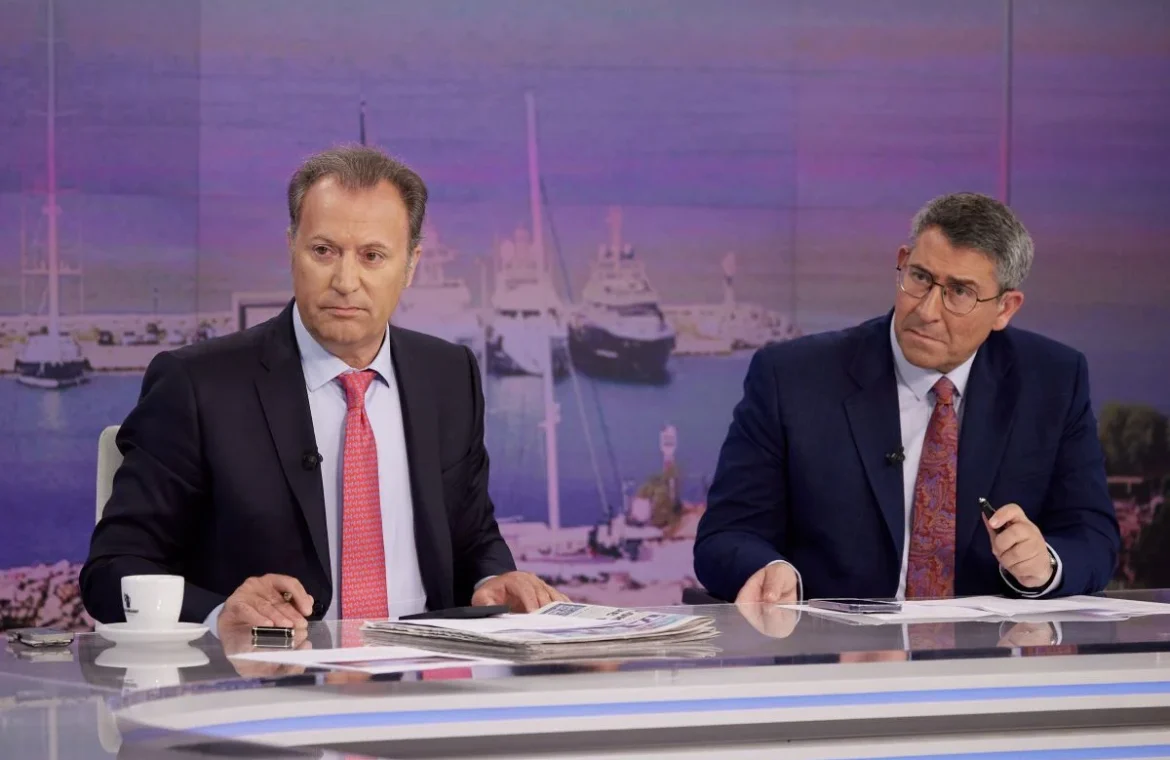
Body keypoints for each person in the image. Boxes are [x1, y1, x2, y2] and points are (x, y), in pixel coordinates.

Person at [82, 145, 566, 635]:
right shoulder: (196, 386)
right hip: (265, 674)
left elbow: (472, 535)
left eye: (372, 256)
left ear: (411, 265)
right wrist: (221, 614)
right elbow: (112, 571)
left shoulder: (449, 375)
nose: (346, 281)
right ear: (292, 247)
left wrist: (492, 578)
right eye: (323, 251)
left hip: (426, 668)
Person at [694, 192, 1120, 604]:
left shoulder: (1052, 381)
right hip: (834, 645)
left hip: (988, 648)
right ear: (902, 261)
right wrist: (769, 571)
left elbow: (1092, 538)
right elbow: (728, 534)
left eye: (960, 292)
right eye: (920, 278)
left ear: (1005, 308)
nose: (928, 310)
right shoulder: (792, 378)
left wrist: (1044, 564)